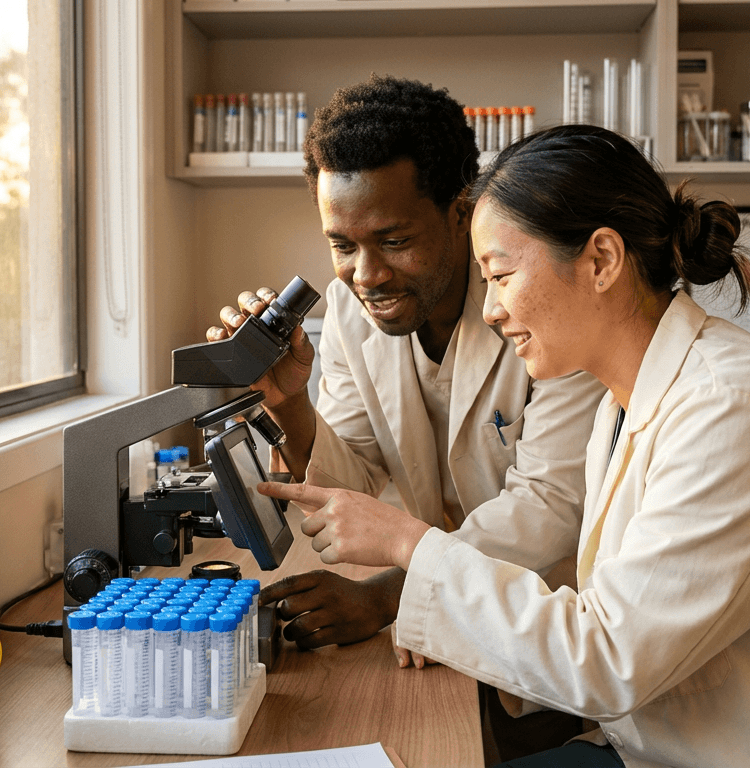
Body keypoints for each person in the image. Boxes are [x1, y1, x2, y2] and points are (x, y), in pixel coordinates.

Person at [259, 125, 750, 768]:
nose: (491, 309)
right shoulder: (628, 400)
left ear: (601, 258)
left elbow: (605, 659)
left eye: (503, 276)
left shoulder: (731, 409)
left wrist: (412, 551)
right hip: (670, 740)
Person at [207, 76, 605, 760]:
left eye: (393, 240)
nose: (366, 274)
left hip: (552, 648)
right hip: (442, 626)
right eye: (342, 244)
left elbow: (549, 507)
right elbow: (352, 478)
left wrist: (389, 594)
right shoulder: (350, 313)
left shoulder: (540, 305)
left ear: (462, 212)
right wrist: (289, 400)